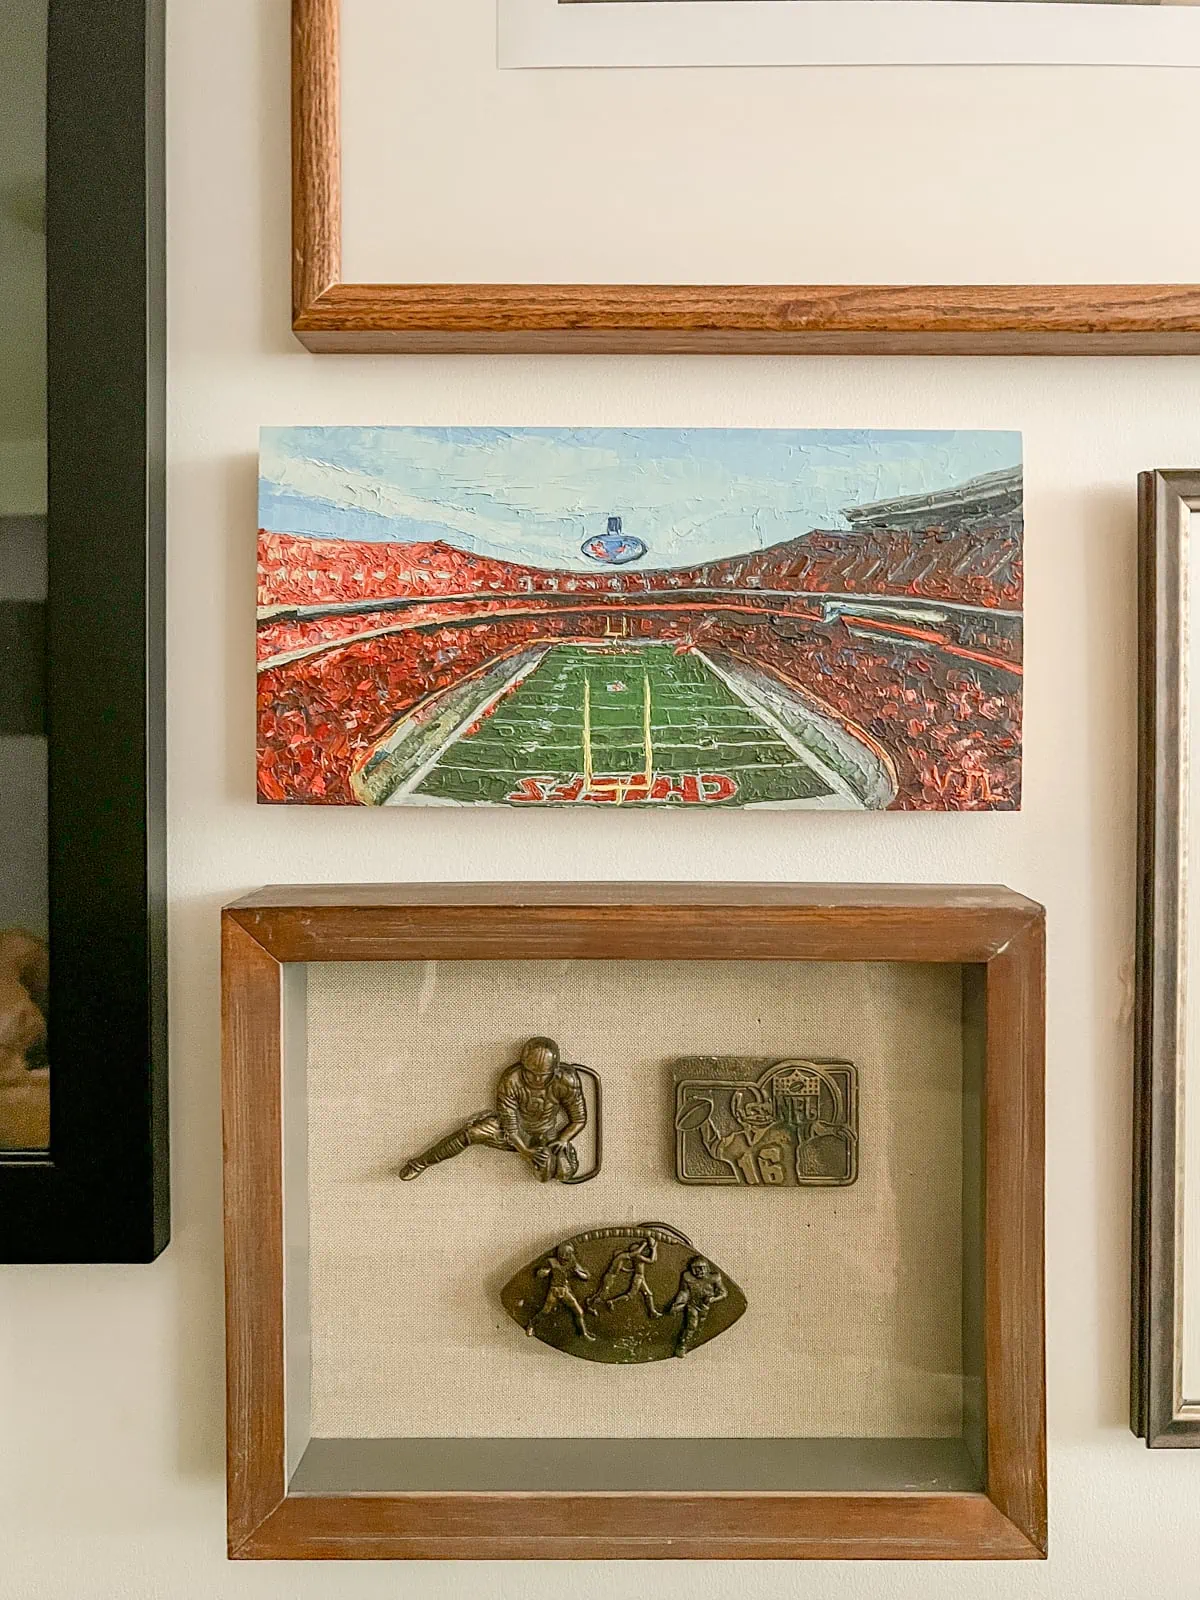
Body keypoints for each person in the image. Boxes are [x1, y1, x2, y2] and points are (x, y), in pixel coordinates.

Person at [398, 1036, 587, 1183]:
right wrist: (525, 1150)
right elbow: (510, 1124)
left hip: (548, 1134)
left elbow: (579, 1119)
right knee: (470, 1133)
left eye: (543, 1075)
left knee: (562, 1173)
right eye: (531, 1073)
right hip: (511, 1133)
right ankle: (419, 1163)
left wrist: (563, 1139)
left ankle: (563, 1156)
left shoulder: (567, 1081)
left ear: (554, 1071)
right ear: (523, 1067)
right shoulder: (512, 1079)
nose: (537, 1080)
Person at [528, 1242, 593, 1341]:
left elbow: (586, 1276)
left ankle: (583, 1333)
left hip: (565, 1291)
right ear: (559, 1255)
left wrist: (578, 1273)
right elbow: (539, 1274)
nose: (564, 1259)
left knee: (579, 1312)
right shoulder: (551, 1261)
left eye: (567, 1256)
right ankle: (531, 1325)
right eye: (562, 1256)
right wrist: (545, 1272)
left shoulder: (572, 1262)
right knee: (545, 1311)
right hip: (554, 1290)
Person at [587, 1234, 662, 1318]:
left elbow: (622, 1267)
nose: (641, 1250)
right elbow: (652, 1260)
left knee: (648, 1294)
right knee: (628, 1295)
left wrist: (631, 1270)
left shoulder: (623, 1258)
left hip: (638, 1277)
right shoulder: (637, 1256)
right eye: (638, 1249)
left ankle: (652, 1312)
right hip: (634, 1278)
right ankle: (596, 1304)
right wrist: (652, 1247)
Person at [668, 1257, 727, 1358]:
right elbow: (684, 1291)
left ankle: (693, 1343)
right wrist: (678, 1302)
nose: (699, 1271)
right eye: (696, 1268)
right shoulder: (687, 1277)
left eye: (701, 1268)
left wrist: (712, 1299)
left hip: (705, 1306)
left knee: (699, 1327)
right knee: (692, 1325)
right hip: (693, 1304)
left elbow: (724, 1293)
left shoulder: (715, 1277)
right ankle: (682, 1346)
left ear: (706, 1268)